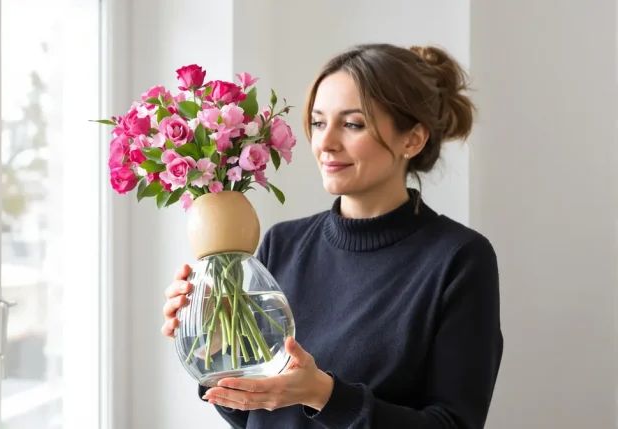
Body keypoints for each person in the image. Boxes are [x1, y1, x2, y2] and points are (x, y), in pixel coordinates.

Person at [162, 43, 503, 429]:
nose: (325, 143)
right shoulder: (282, 244)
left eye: (353, 124)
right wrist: (214, 345)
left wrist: (323, 394)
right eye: (319, 122)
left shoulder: (459, 259)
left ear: (413, 139)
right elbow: (255, 415)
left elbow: (455, 424)